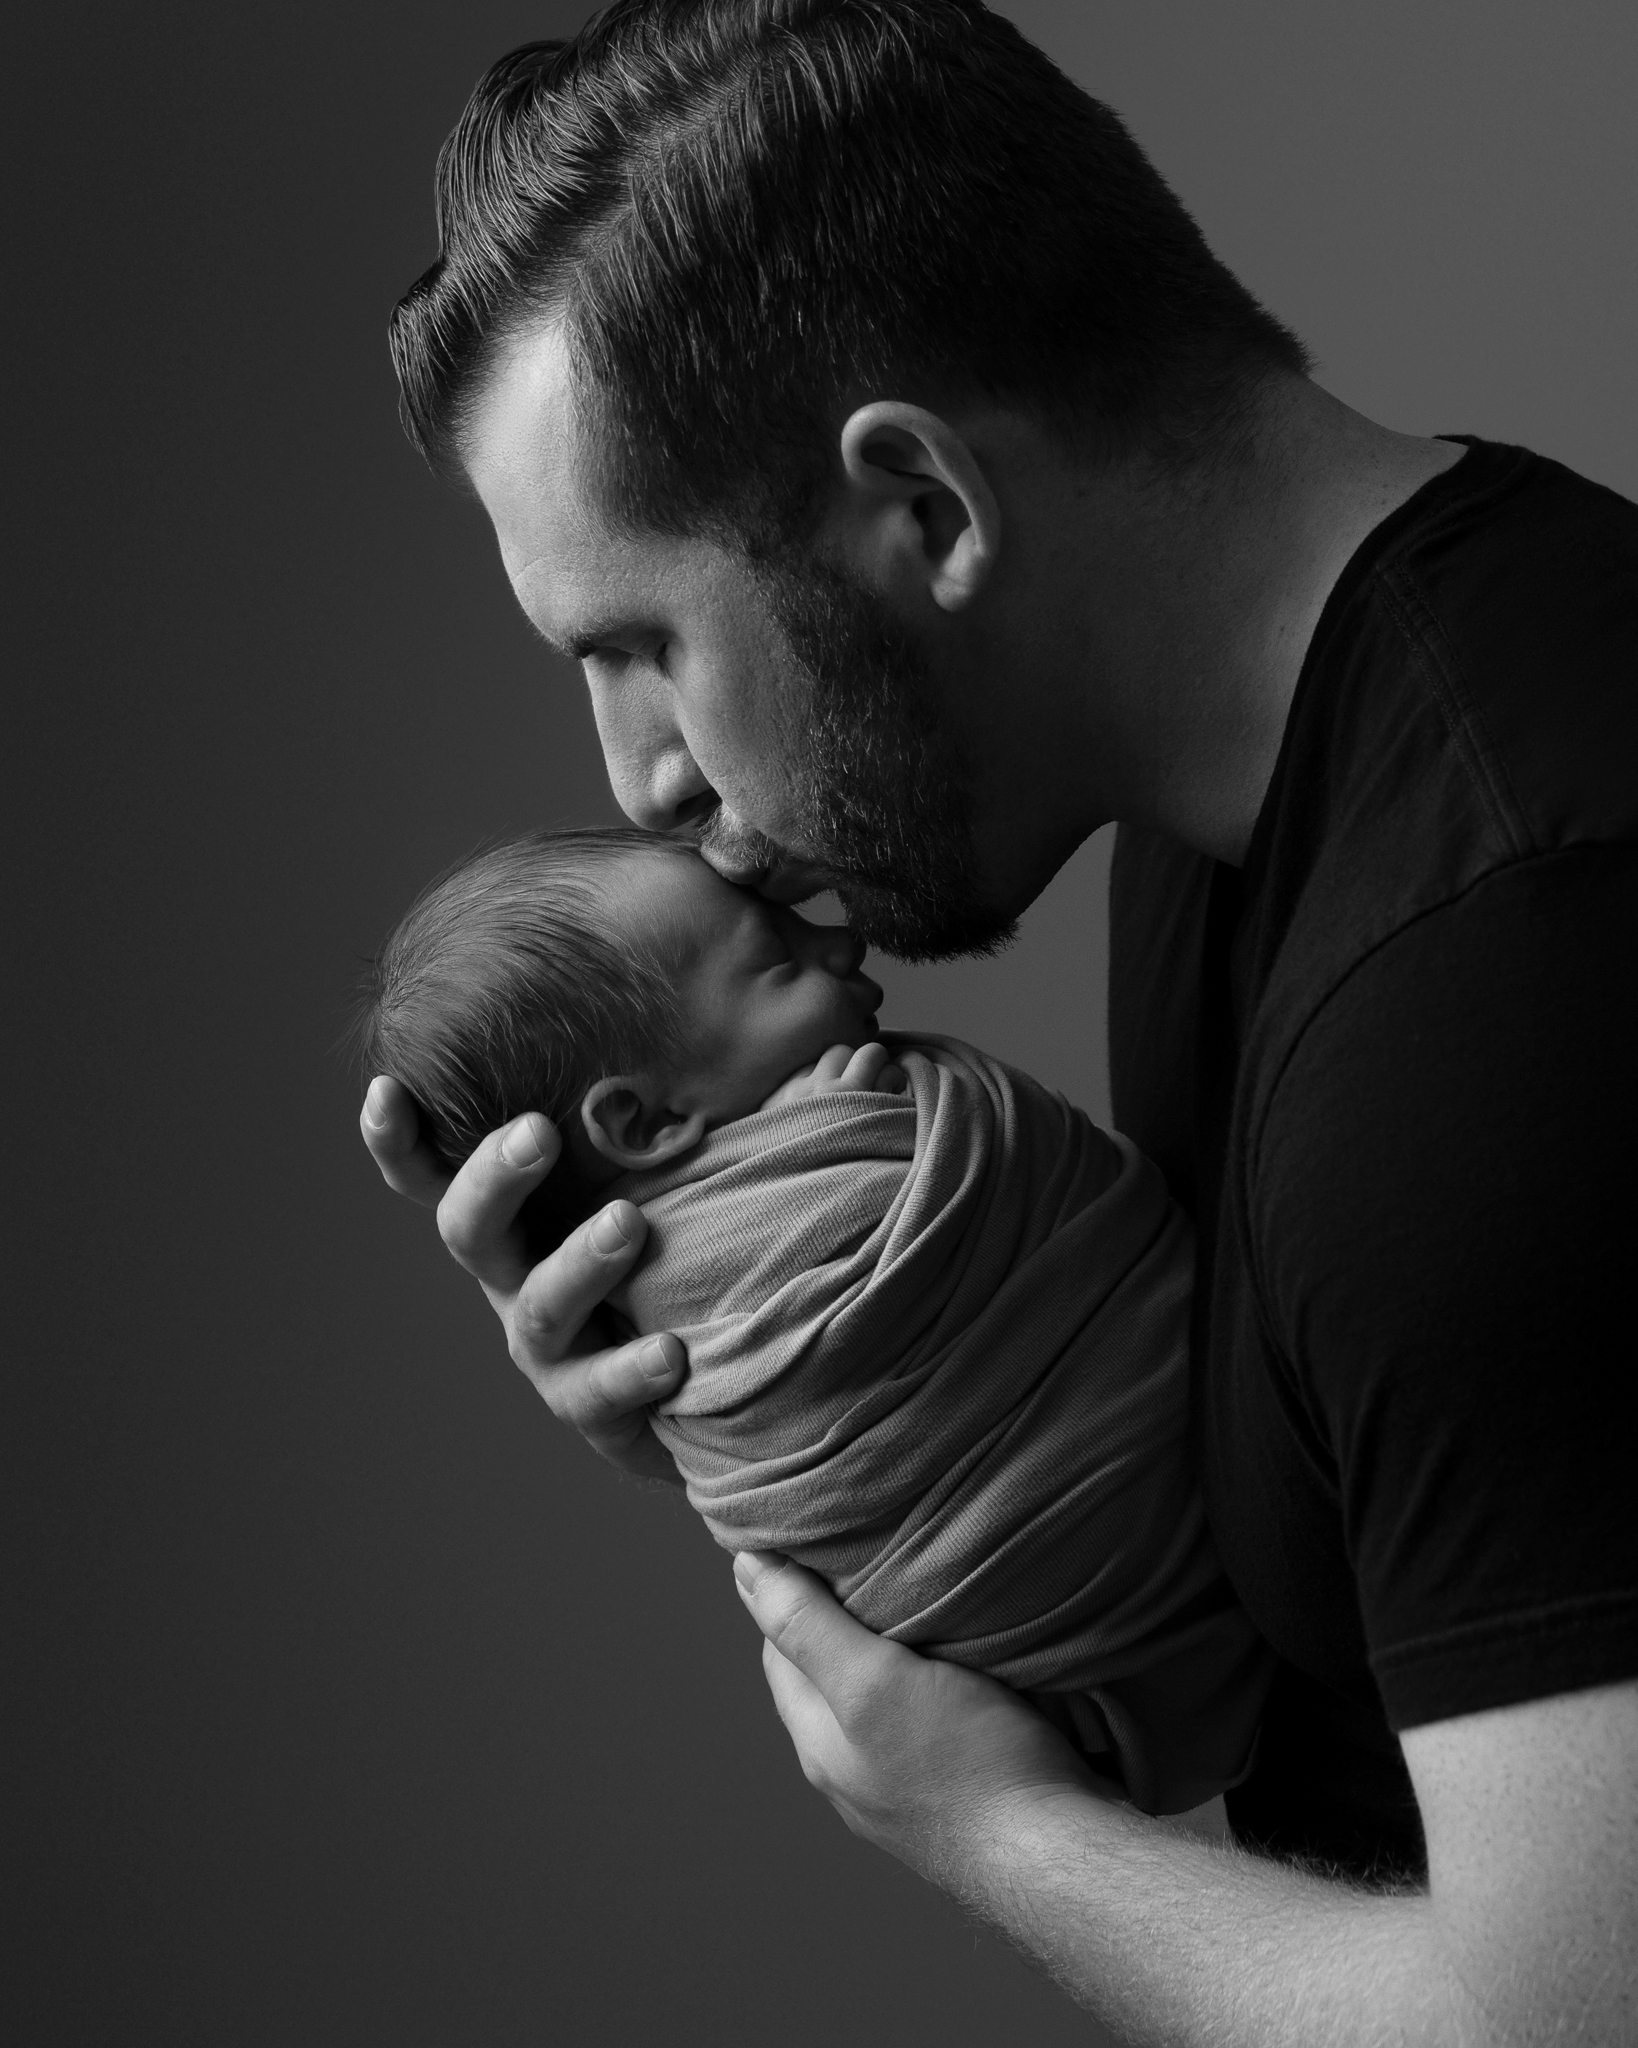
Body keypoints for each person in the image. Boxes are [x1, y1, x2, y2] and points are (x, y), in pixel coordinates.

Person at [361, 3, 1638, 2038]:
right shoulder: (1244, 800)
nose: (640, 777)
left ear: (928, 510)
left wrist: (985, 1825)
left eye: (640, 643)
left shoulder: (1496, 990)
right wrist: (819, 1390)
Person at [359, 826, 1270, 1816]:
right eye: (779, 961)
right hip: (1111, 1582)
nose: (840, 943)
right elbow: (815, 1370)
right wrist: (848, 1135)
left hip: (1142, 1664)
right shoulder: (704, 1257)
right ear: (647, 1125)